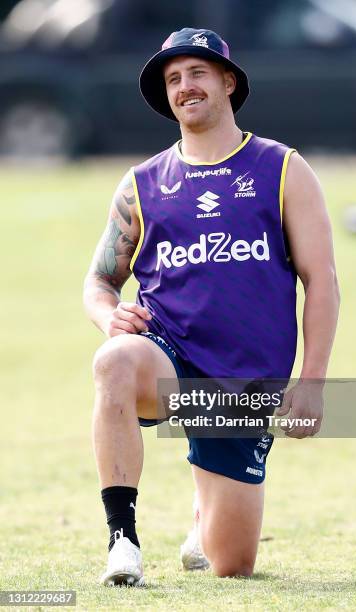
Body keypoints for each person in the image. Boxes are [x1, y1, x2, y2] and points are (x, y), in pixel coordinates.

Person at [83, 27, 340, 586]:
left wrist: (313, 383)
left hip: (243, 386)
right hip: (167, 356)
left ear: (228, 82)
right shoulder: (141, 184)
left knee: (232, 566)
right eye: (173, 78)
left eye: (197, 72)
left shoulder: (282, 169)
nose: (184, 86)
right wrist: (110, 316)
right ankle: (122, 542)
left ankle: (205, 514)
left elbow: (322, 281)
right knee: (114, 363)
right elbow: (100, 280)